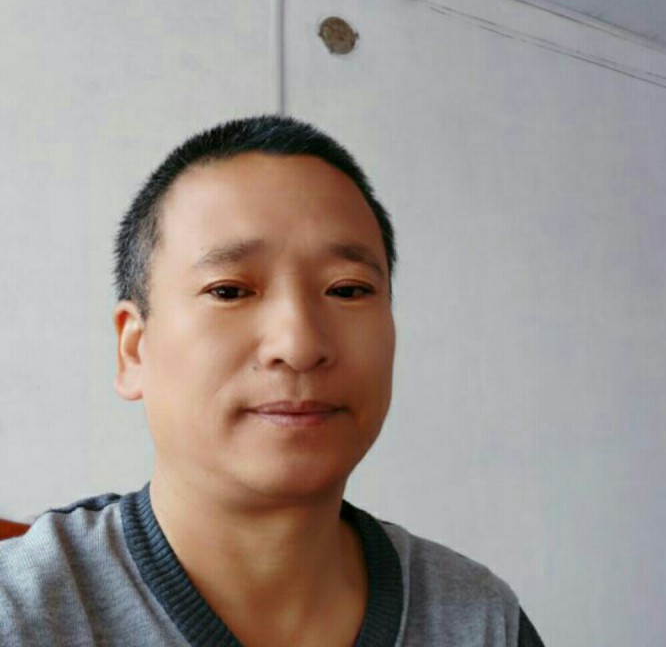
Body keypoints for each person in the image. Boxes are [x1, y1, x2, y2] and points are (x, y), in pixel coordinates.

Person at [0, 115, 544, 646]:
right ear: (134, 349)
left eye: (348, 289)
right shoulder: (24, 612)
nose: (299, 345)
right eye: (230, 291)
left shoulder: (480, 621)